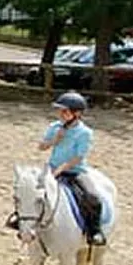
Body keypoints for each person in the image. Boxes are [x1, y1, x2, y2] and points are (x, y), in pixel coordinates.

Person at [39, 91, 103, 244]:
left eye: (65, 111)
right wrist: (55, 140)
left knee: (93, 198)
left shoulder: (84, 133)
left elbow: (78, 157)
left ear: (77, 113)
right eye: (59, 111)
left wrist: (61, 169)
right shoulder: (54, 127)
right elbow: (41, 147)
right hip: (52, 168)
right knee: (29, 191)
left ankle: (94, 231)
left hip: (74, 171)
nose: (60, 114)